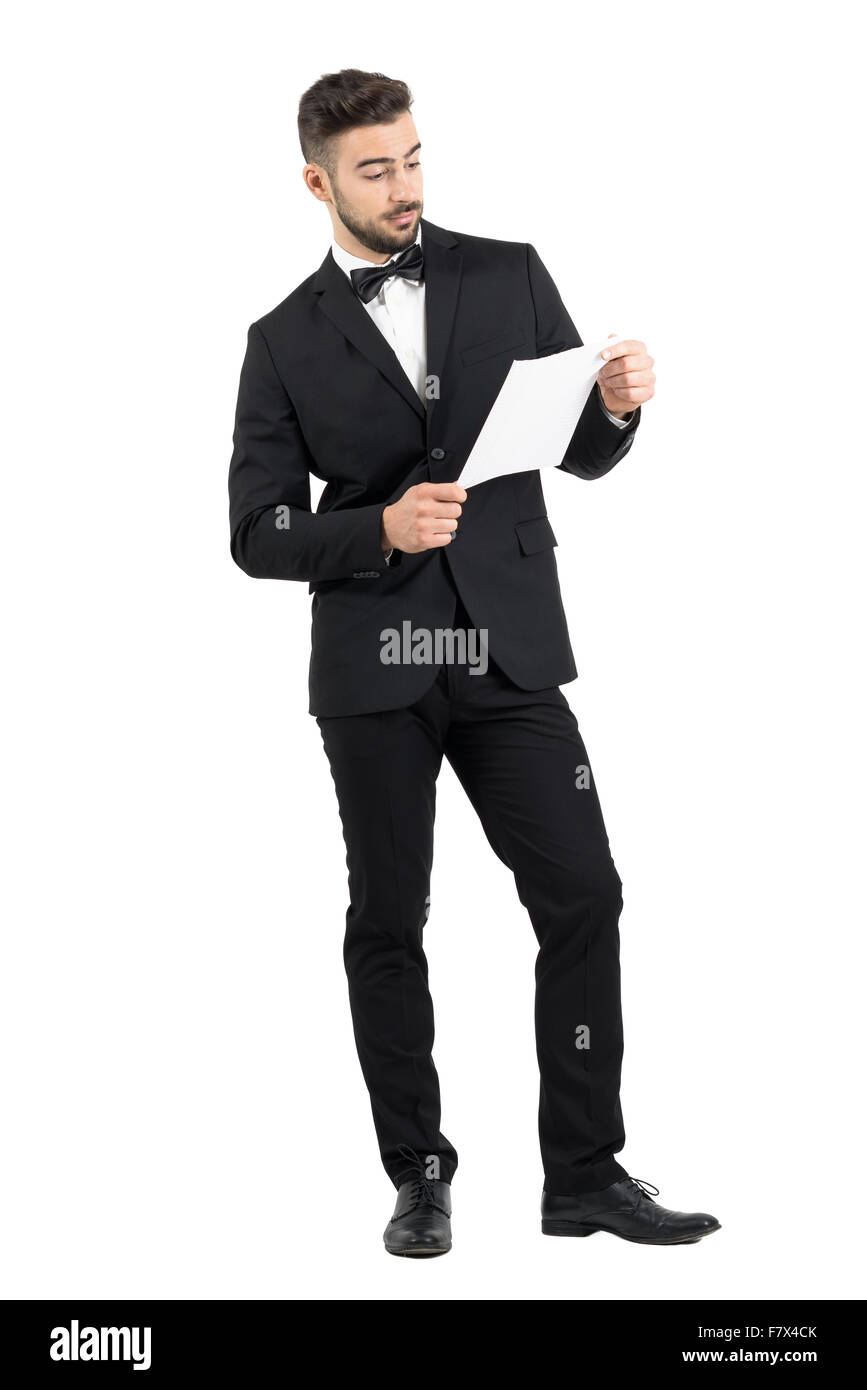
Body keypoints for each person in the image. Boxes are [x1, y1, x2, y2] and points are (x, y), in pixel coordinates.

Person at [228, 67, 720, 1257]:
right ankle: (421, 1172)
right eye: (373, 169)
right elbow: (255, 533)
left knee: (585, 894)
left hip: (506, 651)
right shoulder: (281, 340)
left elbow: (580, 452)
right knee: (390, 920)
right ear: (317, 181)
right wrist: (375, 528)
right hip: (376, 659)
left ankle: (587, 1173)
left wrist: (615, 405)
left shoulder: (508, 270)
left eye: (411, 158)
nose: (402, 187)